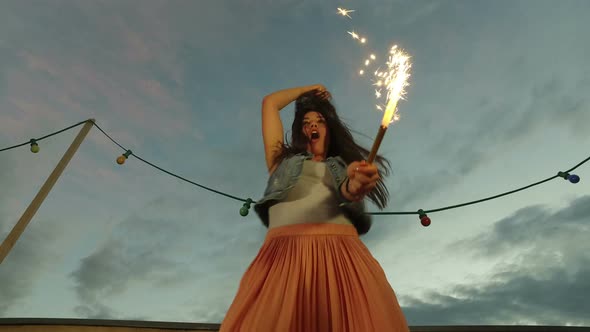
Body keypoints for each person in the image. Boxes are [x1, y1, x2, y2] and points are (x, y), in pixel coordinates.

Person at [219, 84, 409, 331]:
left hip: (342, 258)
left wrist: (357, 183)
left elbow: (349, 189)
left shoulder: (341, 166)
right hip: (282, 257)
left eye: (319, 121)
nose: (312, 126)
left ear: (328, 129)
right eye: (306, 122)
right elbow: (270, 103)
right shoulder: (282, 162)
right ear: (301, 131)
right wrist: (307, 92)